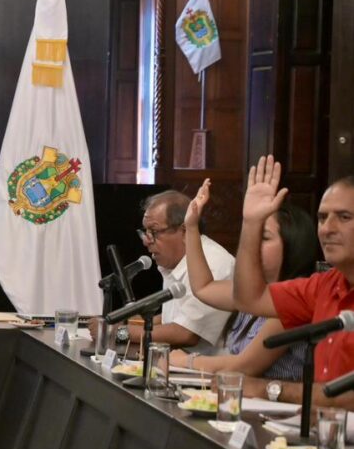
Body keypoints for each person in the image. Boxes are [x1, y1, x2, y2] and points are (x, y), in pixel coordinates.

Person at [232, 156, 354, 407]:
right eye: (322, 218)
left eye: (344, 217)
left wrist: (270, 389)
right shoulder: (325, 284)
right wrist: (252, 223)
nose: (327, 229)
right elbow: (249, 299)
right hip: (321, 427)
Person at [169, 178, 317, 379]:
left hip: (274, 398)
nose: (251, 244)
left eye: (264, 237)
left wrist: (185, 360)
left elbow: (245, 365)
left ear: (293, 245)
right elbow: (203, 287)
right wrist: (191, 226)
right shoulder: (254, 292)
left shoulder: (295, 299)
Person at [91, 190, 234, 353]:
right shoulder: (176, 261)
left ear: (184, 231)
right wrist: (137, 321)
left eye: (154, 232)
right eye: (145, 232)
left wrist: (118, 333)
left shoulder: (212, 263)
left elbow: (187, 333)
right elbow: (177, 317)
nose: (146, 241)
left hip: (201, 367)